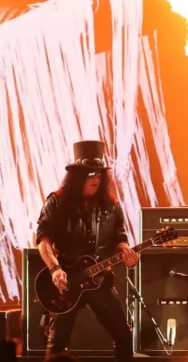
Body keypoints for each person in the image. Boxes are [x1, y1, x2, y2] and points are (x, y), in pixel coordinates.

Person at [35, 140, 136, 361]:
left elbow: (119, 237)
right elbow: (43, 240)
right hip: (67, 280)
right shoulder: (57, 202)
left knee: (123, 335)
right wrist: (55, 269)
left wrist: (126, 250)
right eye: (90, 174)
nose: (96, 179)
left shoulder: (111, 206)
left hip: (98, 279)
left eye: (99, 174)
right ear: (77, 177)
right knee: (57, 340)